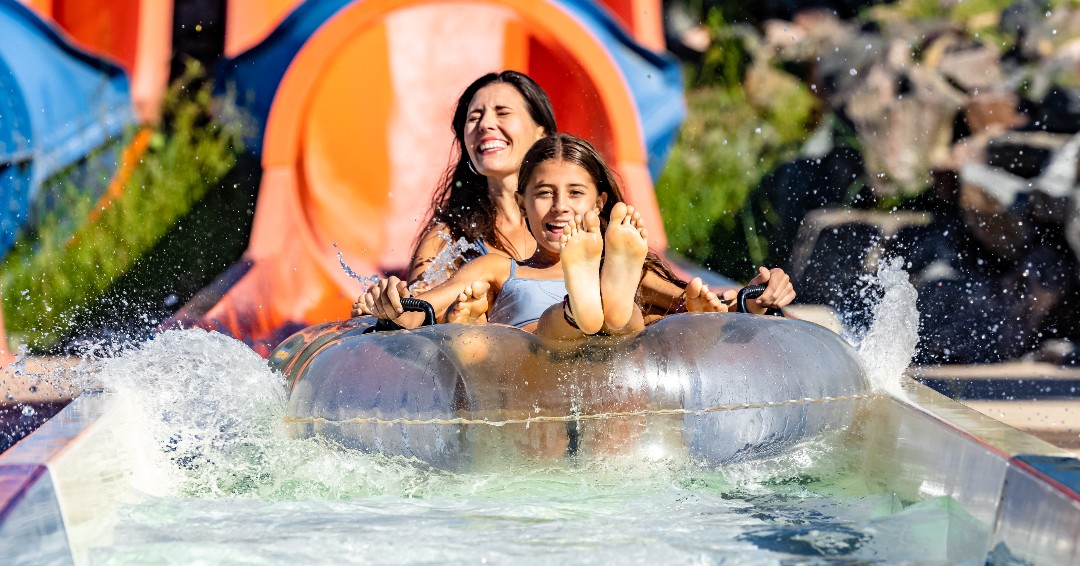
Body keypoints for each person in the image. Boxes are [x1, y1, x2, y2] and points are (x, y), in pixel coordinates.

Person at [353, 70, 793, 319]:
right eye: (473, 118)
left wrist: (748, 296)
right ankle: (590, 306)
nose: (484, 124)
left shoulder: (600, 234)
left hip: (598, 335)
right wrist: (388, 303)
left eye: (502, 112)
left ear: (542, 132)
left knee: (643, 307)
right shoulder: (455, 236)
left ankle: (601, 302)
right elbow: (421, 303)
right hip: (515, 348)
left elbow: (682, 292)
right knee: (480, 322)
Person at [363, 134, 795, 338]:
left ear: (600, 202)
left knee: (626, 317)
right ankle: (580, 306)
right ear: (523, 202)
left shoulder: (625, 268)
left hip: (608, 355)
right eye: (544, 194)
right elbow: (430, 304)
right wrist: (397, 306)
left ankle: (600, 304)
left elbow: (703, 297)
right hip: (534, 370)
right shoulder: (497, 267)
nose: (560, 207)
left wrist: (752, 297)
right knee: (562, 327)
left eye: (575, 193)